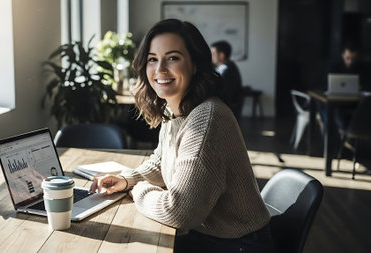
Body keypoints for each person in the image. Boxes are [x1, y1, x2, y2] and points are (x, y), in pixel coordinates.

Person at [90, 19, 274, 253]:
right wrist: (128, 179)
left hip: (237, 244)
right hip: (209, 236)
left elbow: (178, 212)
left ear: (195, 64)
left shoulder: (207, 120)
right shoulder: (174, 109)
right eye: (152, 59)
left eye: (173, 58)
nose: (160, 69)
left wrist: (137, 191)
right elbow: (161, 161)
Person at [210, 40, 244, 120]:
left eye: (213, 54)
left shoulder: (227, 69)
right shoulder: (222, 67)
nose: (211, 56)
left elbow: (223, 92)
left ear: (221, 55)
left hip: (228, 111)